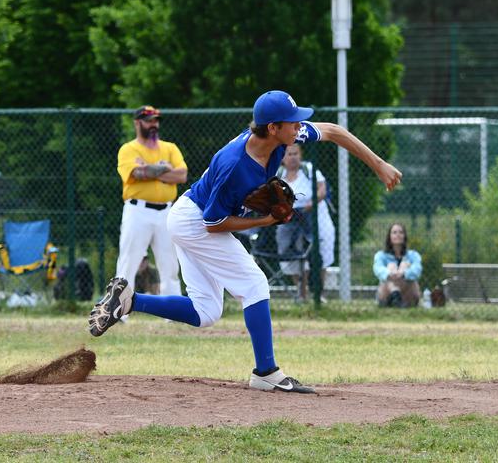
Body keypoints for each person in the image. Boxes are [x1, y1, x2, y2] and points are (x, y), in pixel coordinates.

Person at [89, 90, 402, 394]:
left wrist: (379, 165)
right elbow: (213, 224)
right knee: (254, 284)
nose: (298, 126)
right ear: (272, 128)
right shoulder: (234, 165)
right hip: (194, 221)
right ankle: (266, 372)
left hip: (189, 216)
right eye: (292, 122)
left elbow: (333, 131)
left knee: (206, 312)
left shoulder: (283, 136)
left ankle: (130, 301)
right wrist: (266, 220)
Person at [115, 106, 188, 298]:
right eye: (149, 120)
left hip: (166, 211)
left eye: (156, 120)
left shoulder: (169, 147)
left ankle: (173, 309)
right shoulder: (128, 149)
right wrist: (164, 169)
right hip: (138, 211)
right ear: (137, 123)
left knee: (170, 264)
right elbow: (136, 174)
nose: (153, 124)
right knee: (128, 263)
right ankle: (119, 310)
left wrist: (149, 169)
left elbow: (182, 175)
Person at [275, 144, 335, 302]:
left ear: (300, 155)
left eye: (296, 153)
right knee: (293, 252)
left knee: (322, 249)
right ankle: (301, 293)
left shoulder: (309, 169)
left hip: (316, 214)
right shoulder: (278, 175)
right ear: (282, 158)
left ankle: (318, 293)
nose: (293, 157)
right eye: (289, 154)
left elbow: (322, 189)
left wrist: (312, 203)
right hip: (291, 220)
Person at [373, 223, 423, 308]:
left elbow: (417, 269)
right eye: (394, 232)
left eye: (401, 232)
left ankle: (397, 297)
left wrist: (403, 274)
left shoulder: (413, 255)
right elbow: (377, 268)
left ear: (404, 236)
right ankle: (394, 295)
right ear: (389, 237)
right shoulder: (381, 255)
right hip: (386, 293)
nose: (398, 235)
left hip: (408, 295)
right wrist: (390, 273)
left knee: (405, 264)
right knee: (391, 266)